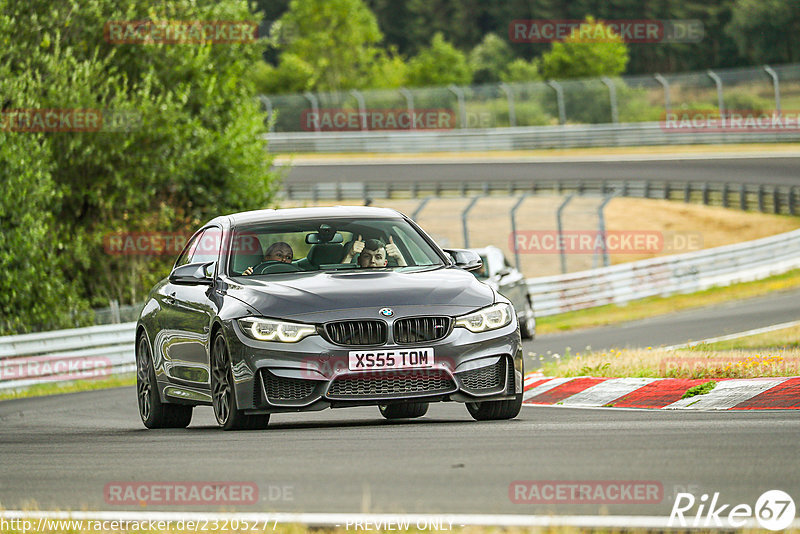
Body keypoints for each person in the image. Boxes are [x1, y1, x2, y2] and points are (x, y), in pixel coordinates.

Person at [343, 235, 407, 268]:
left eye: (378, 257)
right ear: (359, 260)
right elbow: (341, 280)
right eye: (367, 257)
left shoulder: (391, 278)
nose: (372, 261)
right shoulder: (352, 278)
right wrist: (350, 255)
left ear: (385, 263)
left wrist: (399, 258)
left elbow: (406, 281)